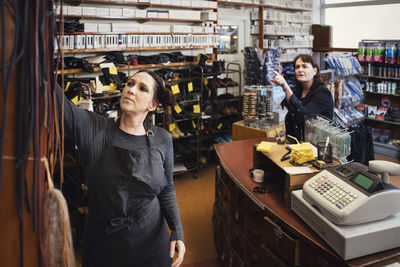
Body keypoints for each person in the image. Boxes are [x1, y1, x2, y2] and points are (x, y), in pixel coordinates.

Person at [57, 70, 185, 267]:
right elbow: (56, 101)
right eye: (129, 84)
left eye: (142, 88)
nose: (131, 90)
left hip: (151, 246)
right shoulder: (94, 130)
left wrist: (177, 229)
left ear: (152, 105)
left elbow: (167, 188)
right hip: (105, 248)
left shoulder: (162, 139)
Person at [271, 54, 334, 142]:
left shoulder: (323, 93)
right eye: (297, 67)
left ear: (314, 71)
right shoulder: (298, 91)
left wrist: (286, 87)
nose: (300, 70)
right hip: (297, 145)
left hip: (318, 147)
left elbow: (304, 116)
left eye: (304, 66)